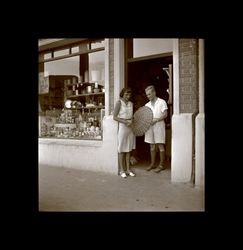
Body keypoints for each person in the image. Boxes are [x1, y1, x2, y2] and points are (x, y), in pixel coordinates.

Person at [144, 85, 168, 173]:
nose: (148, 96)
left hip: (159, 124)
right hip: (150, 126)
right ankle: (153, 164)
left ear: (154, 93)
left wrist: (157, 119)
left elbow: (165, 114)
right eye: (147, 95)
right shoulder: (147, 105)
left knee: (160, 145)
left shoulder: (162, 102)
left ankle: (161, 165)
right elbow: (145, 116)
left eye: (149, 94)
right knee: (152, 145)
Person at [113, 87, 136, 178]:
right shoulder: (119, 103)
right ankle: (121, 170)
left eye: (129, 94)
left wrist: (132, 121)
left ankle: (128, 169)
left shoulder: (131, 104)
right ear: (122, 94)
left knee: (129, 149)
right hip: (123, 126)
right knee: (121, 149)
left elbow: (132, 116)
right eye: (126, 94)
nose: (128, 96)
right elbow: (114, 117)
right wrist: (125, 122)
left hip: (130, 127)